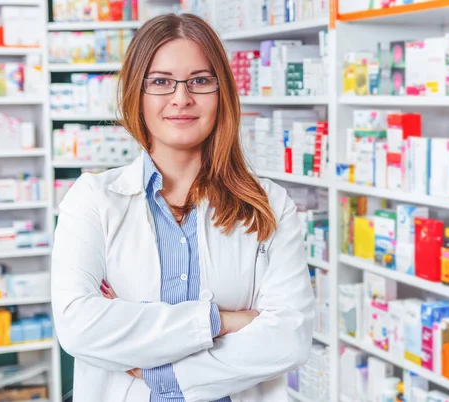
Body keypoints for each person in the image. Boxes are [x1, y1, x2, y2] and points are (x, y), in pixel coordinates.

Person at [50, 13, 315, 402]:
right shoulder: (92, 198)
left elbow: (289, 338)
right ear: (136, 94)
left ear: (222, 91)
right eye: (160, 81)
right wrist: (221, 322)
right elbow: (78, 326)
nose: (181, 98)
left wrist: (160, 371)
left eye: (200, 81)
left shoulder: (268, 204)